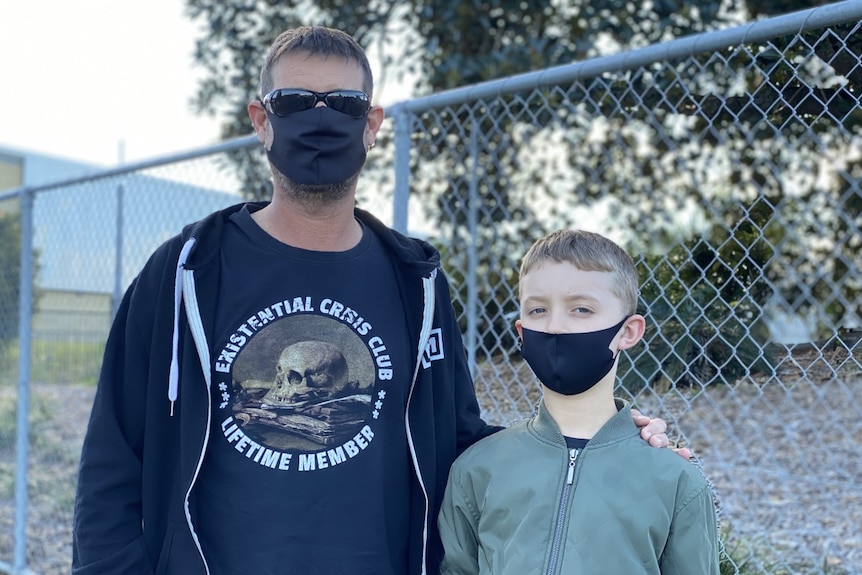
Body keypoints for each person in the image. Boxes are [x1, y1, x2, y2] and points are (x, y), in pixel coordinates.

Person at [72, 26, 675, 575]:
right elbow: (112, 462)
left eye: (342, 104)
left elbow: (457, 438)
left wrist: (590, 441)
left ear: (372, 124)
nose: (319, 119)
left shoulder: (415, 281)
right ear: (260, 119)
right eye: (294, 103)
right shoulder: (183, 274)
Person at [437, 229, 720, 574]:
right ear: (522, 332)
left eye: (581, 309)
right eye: (538, 309)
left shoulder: (675, 481)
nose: (555, 326)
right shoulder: (478, 468)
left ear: (628, 332)